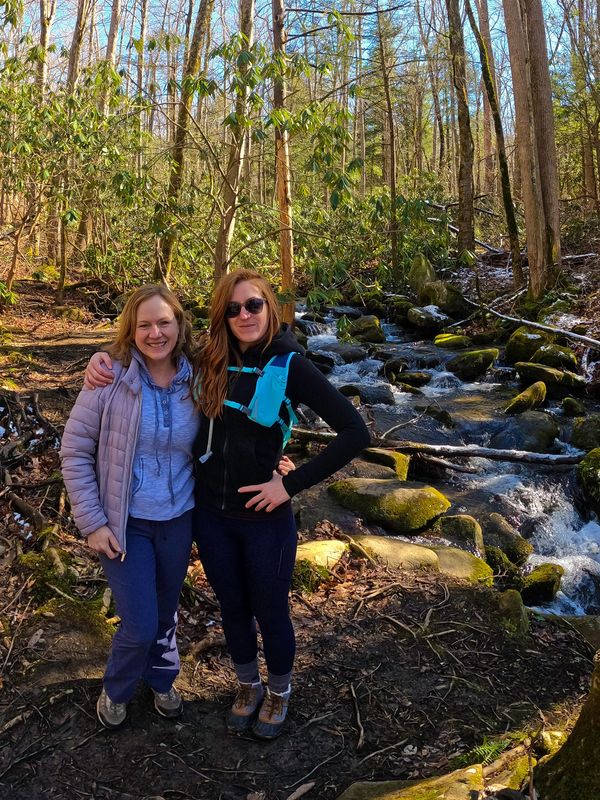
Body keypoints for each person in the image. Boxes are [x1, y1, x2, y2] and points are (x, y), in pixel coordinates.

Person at [85, 269, 371, 739]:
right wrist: (102, 357)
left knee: (270, 609)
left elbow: (355, 432)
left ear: (270, 308)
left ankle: (278, 691)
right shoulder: (207, 360)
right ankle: (246, 684)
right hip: (210, 516)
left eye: (253, 305)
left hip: (265, 519)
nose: (244, 315)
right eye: (233, 308)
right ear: (222, 315)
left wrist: (291, 483)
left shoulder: (290, 364)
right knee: (233, 608)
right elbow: (151, 349)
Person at [60, 285, 199, 729]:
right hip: (124, 523)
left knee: (165, 610)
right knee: (139, 622)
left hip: (179, 519)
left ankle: (162, 679)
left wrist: (278, 459)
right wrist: (92, 523)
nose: (155, 332)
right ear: (131, 330)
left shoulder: (200, 377)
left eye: (164, 322)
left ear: (179, 324)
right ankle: (117, 689)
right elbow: (75, 450)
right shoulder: (109, 377)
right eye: (145, 325)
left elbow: (247, 417)